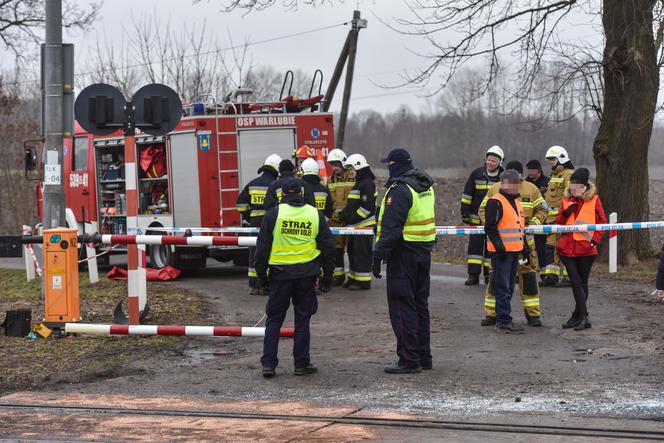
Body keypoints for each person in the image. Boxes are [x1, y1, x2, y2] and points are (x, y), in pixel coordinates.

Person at [254, 177, 336, 378]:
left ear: (282, 195)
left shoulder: (274, 214)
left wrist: (261, 277)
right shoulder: (315, 214)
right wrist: (328, 276)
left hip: (280, 275)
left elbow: (262, 247)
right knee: (303, 319)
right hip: (306, 275)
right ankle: (301, 364)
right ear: (301, 193)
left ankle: (269, 364)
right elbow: (328, 247)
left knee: (274, 320)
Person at [373, 148, 436, 373]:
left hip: (403, 255)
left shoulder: (399, 190)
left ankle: (409, 360)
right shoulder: (424, 186)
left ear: (395, 165)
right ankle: (423, 357)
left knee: (402, 308)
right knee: (420, 306)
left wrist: (377, 254)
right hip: (423, 252)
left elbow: (391, 230)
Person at [479, 161, 547, 327]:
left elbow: (543, 209)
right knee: (499, 282)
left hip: (523, 244)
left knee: (527, 279)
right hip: (502, 249)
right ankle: (494, 315)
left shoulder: (531, 189)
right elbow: (485, 215)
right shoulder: (495, 192)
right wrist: (497, 238)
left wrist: (533, 225)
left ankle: (532, 315)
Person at [556, 168, 606, 331]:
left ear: (584, 186)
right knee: (576, 283)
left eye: (576, 184)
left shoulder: (594, 200)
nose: (573, 187)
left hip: (586, 249)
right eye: (572, 184)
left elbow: (602, 222)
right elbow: (559, 222)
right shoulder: (566, 200)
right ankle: (583, 317)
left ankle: (578, 316)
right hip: (566, 249)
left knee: (582, 283)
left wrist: (594, 241)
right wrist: (566, 212)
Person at [484, 169, 528, 333]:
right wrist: (500, 248)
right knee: (502, 287)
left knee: (508, 287)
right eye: (512, 183)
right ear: (504, 184)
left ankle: (504, 318)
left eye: (517, 183)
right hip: (502, 253)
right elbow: (490, 227)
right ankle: (503, 321)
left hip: (514, 251)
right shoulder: (495, 202)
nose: (515, 186)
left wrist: (525, 249)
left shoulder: (517, 202)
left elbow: (519, 228)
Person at [236, 154, 281, 295]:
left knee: (254, 252)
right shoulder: (276, 185)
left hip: (254, 223)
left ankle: (254, 286)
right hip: (271, 223)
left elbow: (240, 203)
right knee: (268, 252)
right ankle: (266, 285)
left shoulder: (252, 183)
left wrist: (248, 216)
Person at [461, 145, 505, 285]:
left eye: (494, 161)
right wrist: (465, 213)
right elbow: (467, 195)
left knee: (490, 248)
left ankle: (488, 275)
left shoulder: (503, 177)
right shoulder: (476, 174)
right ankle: (473, 275)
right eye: (489, 160)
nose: (490, 163)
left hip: (494, 222)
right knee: (474, 248)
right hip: (476, 220)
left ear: (500, 162)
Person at [340, 153, 377, 290]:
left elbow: (365, 209)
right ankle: (353, 277)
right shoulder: (359, 184)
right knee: (352, 252)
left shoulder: (367, 184)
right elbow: (353, 205)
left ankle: (363, 281)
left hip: (364, 226)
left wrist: (351, 218)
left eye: (351, 169)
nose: (350, 172)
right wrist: (344, 214)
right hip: (355, 226)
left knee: (362, 254)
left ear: (358, 168)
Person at [541, 145, 575, 287]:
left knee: (565, 248)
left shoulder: (569, 175)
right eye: (549, 159)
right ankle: (552, 276)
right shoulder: (555, 176)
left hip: (563, 219)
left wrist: (566, 215)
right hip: (551, 219)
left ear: (561, 158)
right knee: (551, 248)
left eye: (552, 159)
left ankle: (569, 277)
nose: (550, 162)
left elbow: (571, 197)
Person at [326, 148, 356, 286]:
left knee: (352, 250)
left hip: (350, 221)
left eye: (337, 164)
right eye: (332, 165)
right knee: (336, 250)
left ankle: (353, 277)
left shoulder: (353, 177)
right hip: (335, 222)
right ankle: (338, 276)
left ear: (343, 163)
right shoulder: (330, 180)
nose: (334, 167)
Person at [526, 159, 550, 279]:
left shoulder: (547, 182)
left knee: (541, 247)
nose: (530, 172)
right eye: (528, 169)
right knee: (526, 248)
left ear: (539, 170)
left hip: (542, 219)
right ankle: (526, 272)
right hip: (528, 220)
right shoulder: (526, 182)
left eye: (532, 170)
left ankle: (544, 273)